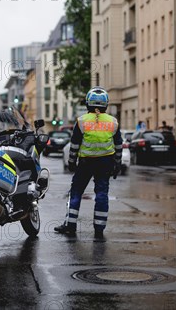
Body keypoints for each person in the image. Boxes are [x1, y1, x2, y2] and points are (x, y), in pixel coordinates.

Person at [54, 87, 122, 239]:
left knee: (76, 192)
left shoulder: (82, 121)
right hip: (106, 163)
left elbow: (75, 144)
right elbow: (118, 145)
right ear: (106, 105)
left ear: (87, 104)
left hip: (85, 163)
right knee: (102, 194)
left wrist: (71, 162)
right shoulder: (113, 122)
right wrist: (117, 164)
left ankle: (70, 225)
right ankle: (99, 228)